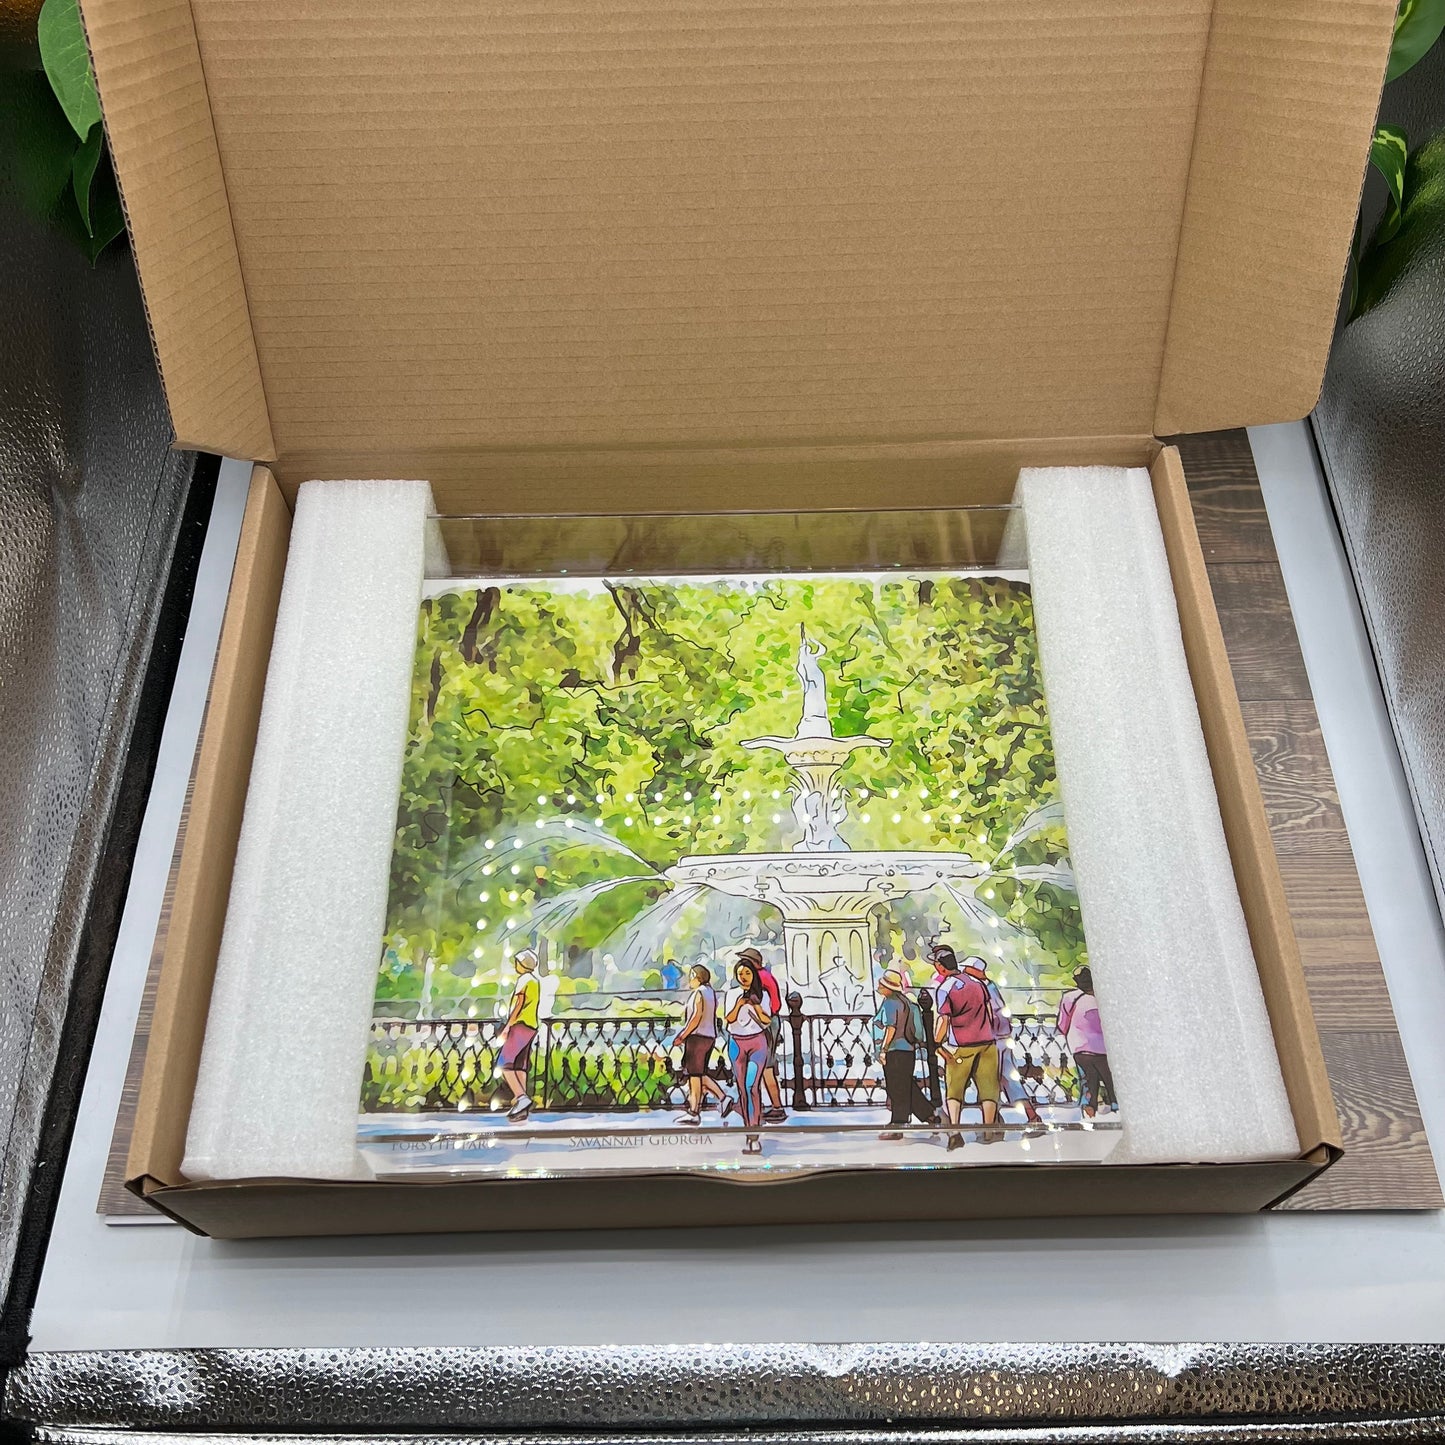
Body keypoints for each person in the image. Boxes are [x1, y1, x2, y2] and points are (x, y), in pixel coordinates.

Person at [935, 953, 1002, 1150]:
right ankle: (988, 1131)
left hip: (961, 1046)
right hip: (987, 1042)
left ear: (941, 967)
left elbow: (944, 1019)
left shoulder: (945, 988)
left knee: (955, 1090)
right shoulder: (978, 984)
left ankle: (955, 1132)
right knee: (989, 1089)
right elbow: (989, 1012)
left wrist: (937, 1043)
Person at [872, 968, 934, 1140]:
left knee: (896, 1089)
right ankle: (930, 1116)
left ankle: (898, 1125)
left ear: (888, 988)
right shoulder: (910, 1005)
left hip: (894, 1051)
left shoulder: (890, 1003)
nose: (878, 985)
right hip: (908, 1051)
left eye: (881, 983)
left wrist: (883, 1050)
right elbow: (919, 1034)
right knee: (906, 1086)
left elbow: (890, 1028)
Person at [672, 964, 735, 1126]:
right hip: (709, 1036)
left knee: (694, 1076)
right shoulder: (710, 993)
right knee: (698, 1074)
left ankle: (694, 1111)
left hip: (697, 1037)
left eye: (691, 976)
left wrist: (682, 1035)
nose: (689, 980)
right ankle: (722, 1098)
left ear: (697, 977)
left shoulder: (699, 993)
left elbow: (696, 1017)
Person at [724, 954, 773, 1154]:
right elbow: (729, 1018)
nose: (743, 977)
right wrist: (739, 1004)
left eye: (747, 973)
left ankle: (754, 1133)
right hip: (736, 1042)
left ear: (753, 975)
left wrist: (755, 1005)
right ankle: (748, 1127)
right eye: (740, 973)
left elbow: (767, 1020)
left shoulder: (763, 994)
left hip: (757, 1042)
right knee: (742, 1089)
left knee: (752, 1085)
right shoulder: (731, 993)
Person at [1057, 966, 1114, 1117]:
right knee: (1110, 1080)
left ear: (1076, 981)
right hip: (1104, 1048)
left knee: (1088, 1079)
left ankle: (1090, 1108)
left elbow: (1061, 1025)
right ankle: (1114, 1105)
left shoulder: (1069, 997)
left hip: (1079, 1047)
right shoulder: (1102, 995)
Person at [743, 947, 788, 1123]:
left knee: (765, 1066)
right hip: (771, 1021)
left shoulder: (759, 978)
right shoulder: (766, 976)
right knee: (764, 1066)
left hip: (765, 1024)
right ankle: (766, 1106)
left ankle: (775, 1107)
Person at [499, 948, 541, 1120]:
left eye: (518, 962)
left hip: (520, 1025)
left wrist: (507, 1027)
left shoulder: (524, 980)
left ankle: (522, 1098)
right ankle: (521, 1108)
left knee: (504, 1063)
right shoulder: (535, 981)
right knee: (519, 1066)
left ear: (523, 965)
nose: (516, 965)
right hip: (532, 1025)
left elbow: (519, 1005)